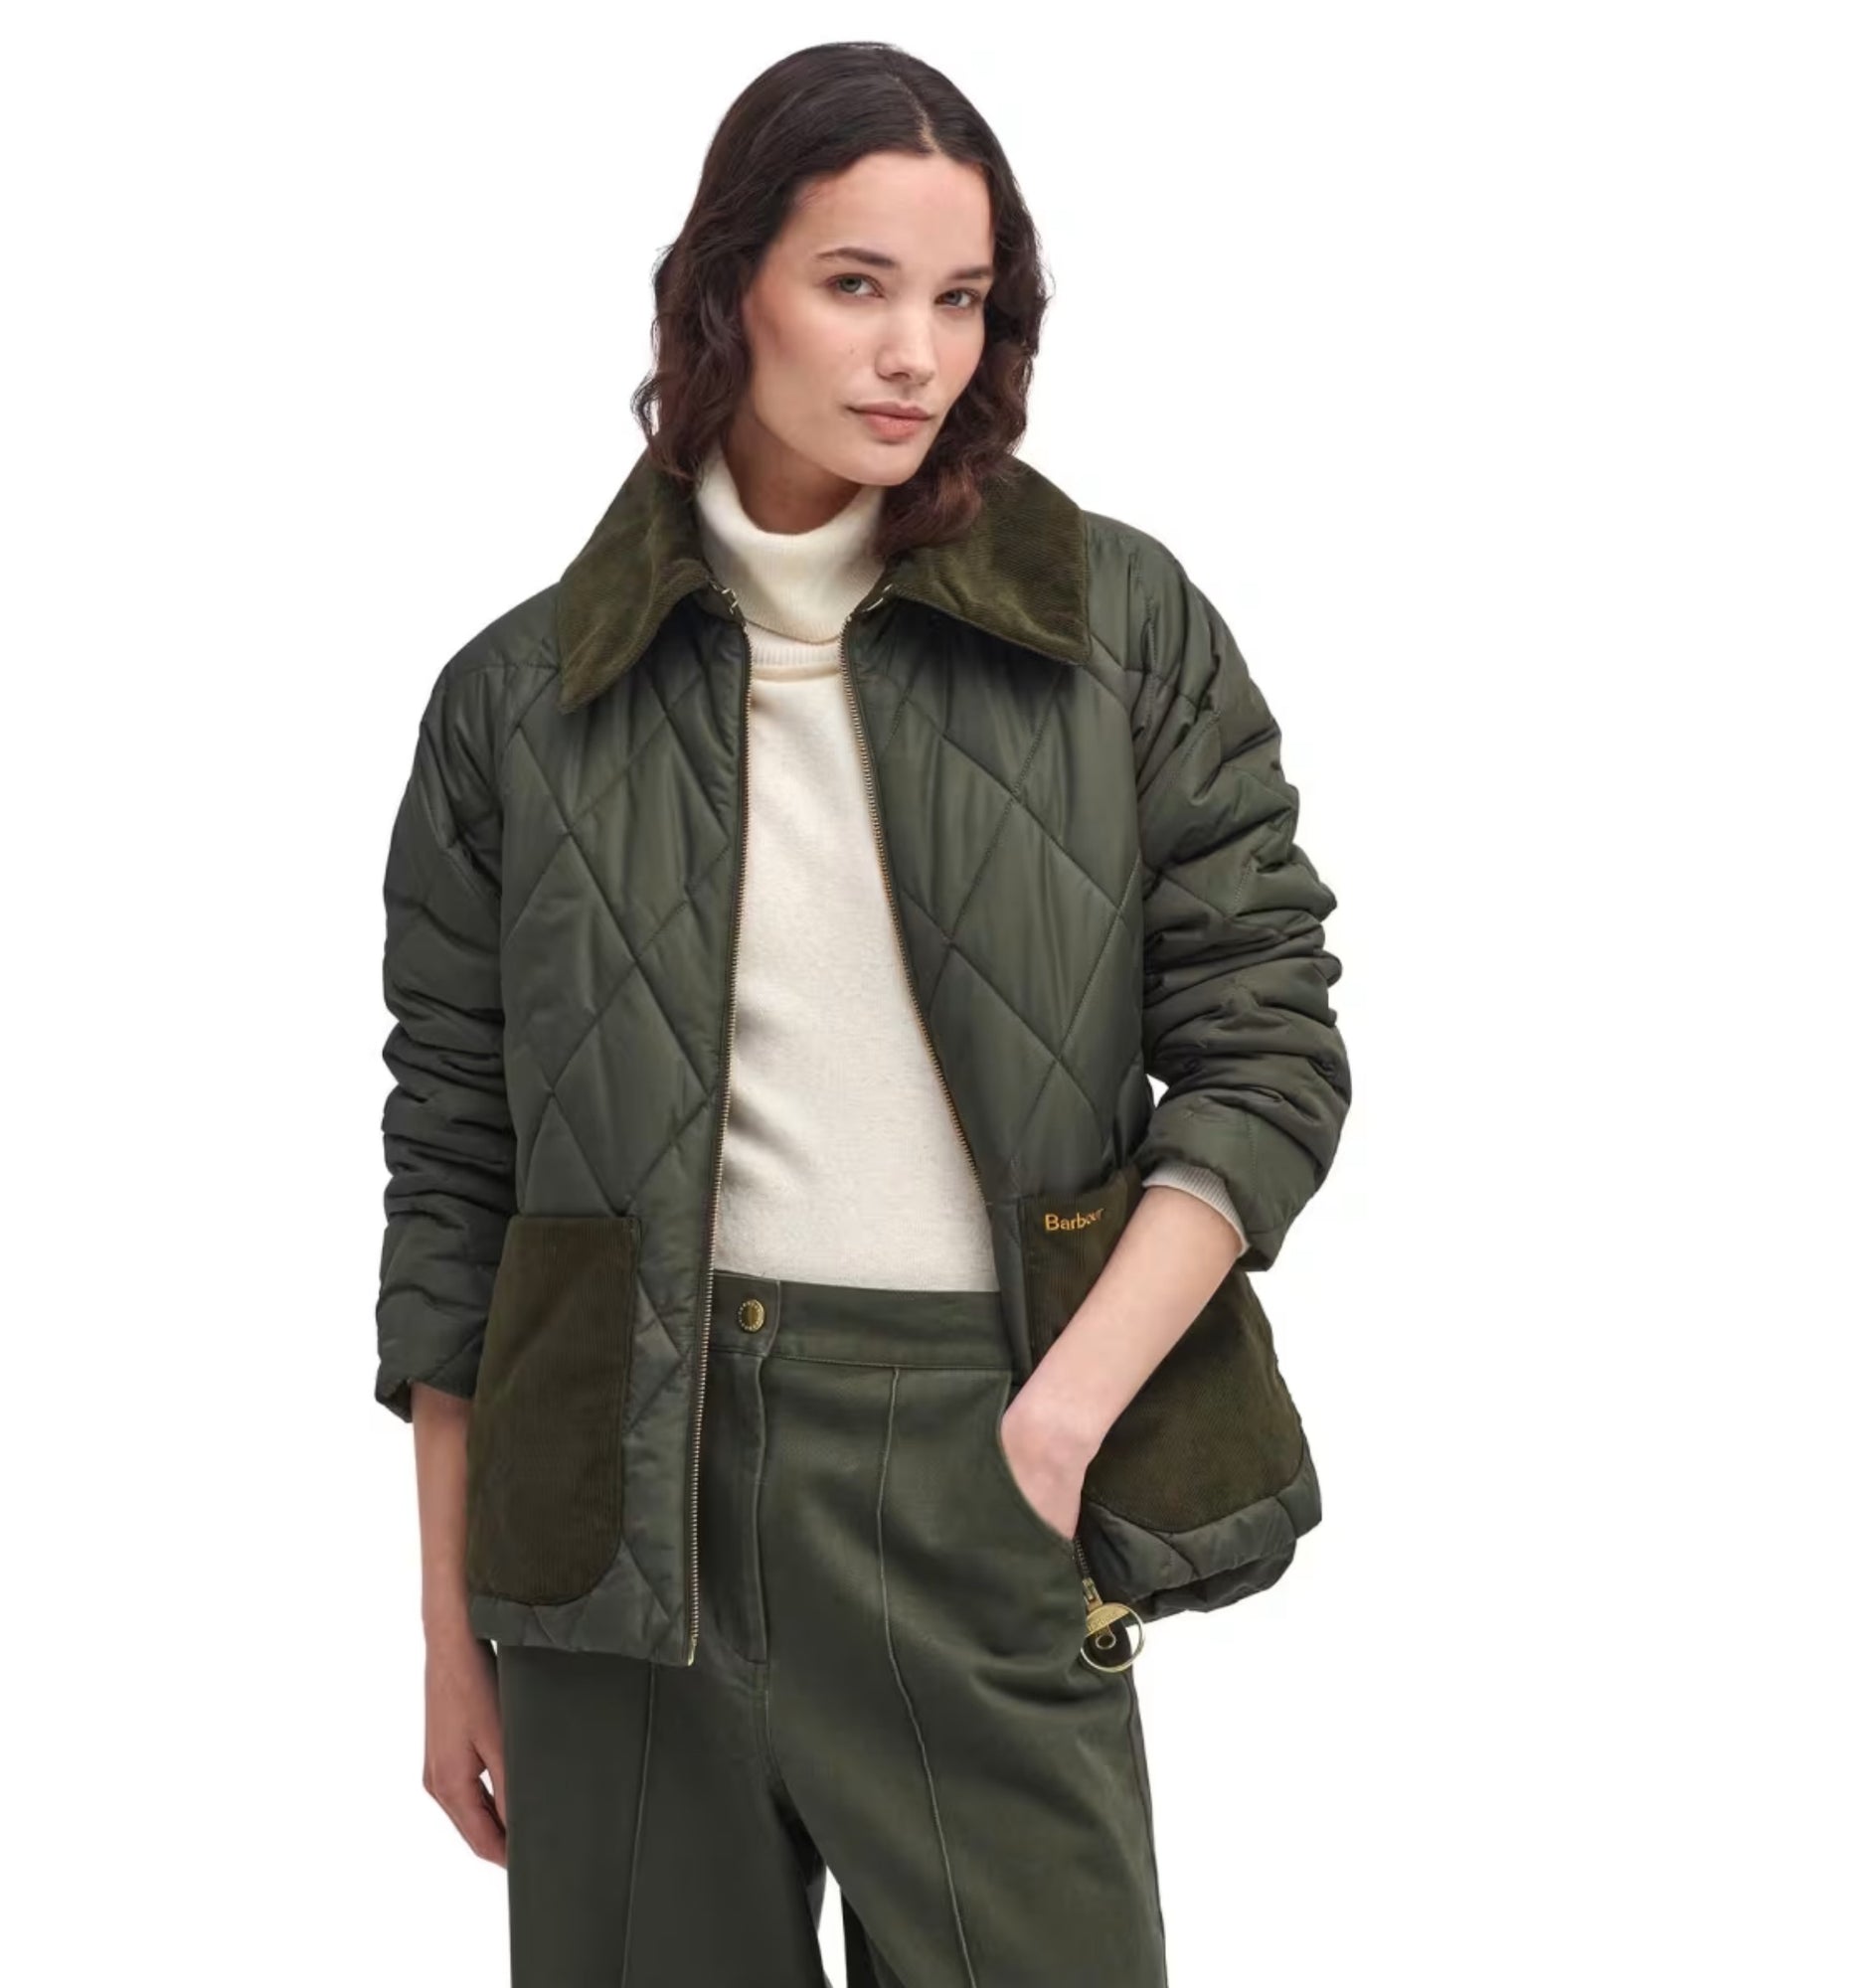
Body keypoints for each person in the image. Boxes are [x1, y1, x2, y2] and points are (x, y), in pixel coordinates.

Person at [373, 40, 1350, 1987]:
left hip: (976, 1452)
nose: (916, 353)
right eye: (855, 284)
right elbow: (454, 1172)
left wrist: (1061, 1411)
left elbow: (1266, 1043)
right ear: (725, 288)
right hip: (611, 1518)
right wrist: (447, 1631)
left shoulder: (1114, 628)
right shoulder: (521, 700)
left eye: (960, 298)